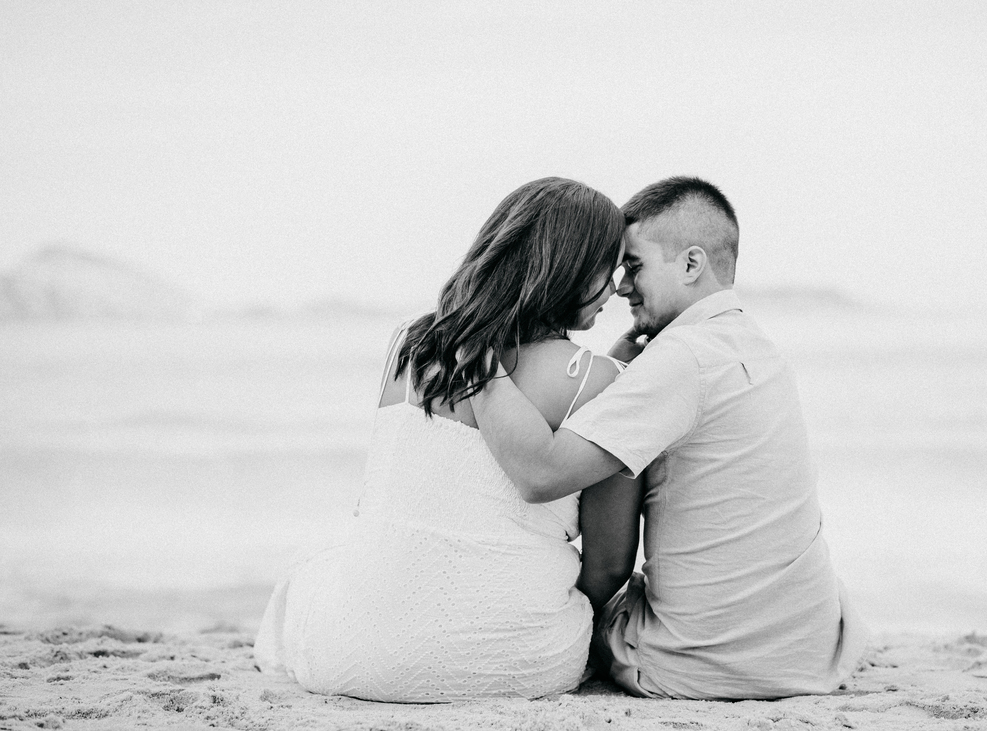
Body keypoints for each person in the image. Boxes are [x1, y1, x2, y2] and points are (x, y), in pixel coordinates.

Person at [471, 176, 868, 700]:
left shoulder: (680, 359)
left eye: (633, 266)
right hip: (808, 649)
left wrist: (478, 366)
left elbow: (539, 474)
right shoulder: (756, 346)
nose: (620, 287)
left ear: (690, 264)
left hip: (698, 665)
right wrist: (618, 376)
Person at [253, 177, 642, 701]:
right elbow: (611, 566)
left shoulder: (415, 349)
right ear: (568, 266)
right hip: (518, 665)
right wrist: (612, 375)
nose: (616, 288)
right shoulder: (602, 383)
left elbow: (381, 499)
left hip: (349, 661)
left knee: (311, 578)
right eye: (607, 268)